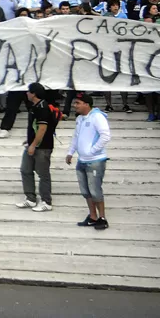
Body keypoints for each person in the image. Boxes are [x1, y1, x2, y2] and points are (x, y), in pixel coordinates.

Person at [66, 93, 112, 230]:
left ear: (86, 104)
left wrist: (93, 151)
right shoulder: (80, 119)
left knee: (95, 190)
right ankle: (92, 216)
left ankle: (102, 218)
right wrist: (70, 152)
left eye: (78, 103)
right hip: (82, 161)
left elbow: (105, 136)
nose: (75, 106)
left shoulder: (97, 117)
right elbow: (76, 136)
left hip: (95, 161)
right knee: (85, 190)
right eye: (75, 103)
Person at [17, 83, 57, 212]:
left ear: (34, 93)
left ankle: (46, 201)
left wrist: (33, 144)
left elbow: (43, 128)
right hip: (33, 144)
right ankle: (30, 198)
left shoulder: (43, 107)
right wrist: (29, 140)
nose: (27, 94)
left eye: (29, 91)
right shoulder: (34, 107)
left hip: (43, 147)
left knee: (43, 174)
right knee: (25, 169)